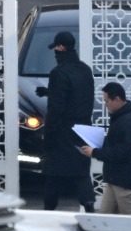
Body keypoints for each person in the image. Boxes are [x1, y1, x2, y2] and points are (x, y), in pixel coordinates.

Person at [35, 30, 96, 212]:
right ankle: (89, 208)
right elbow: (79, 95)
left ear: (60, 47)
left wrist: (49, 134)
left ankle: (49, 211)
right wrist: (49, 91)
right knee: (81, 173)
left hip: (63, 131)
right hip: (84, 129)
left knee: (53, 173)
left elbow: (57, 107)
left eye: (56, 48)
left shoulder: (58, 73)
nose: (55, 52)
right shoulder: (85, 70)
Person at [80, 81, 131, 215]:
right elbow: (117, 145)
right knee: (104, 219)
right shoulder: (121, 118)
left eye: (107, 101)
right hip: (115, 180)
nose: (106, 105)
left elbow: (122, 152)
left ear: (117, 99)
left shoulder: (127, 122)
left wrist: (95, 152)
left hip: (126, 183)